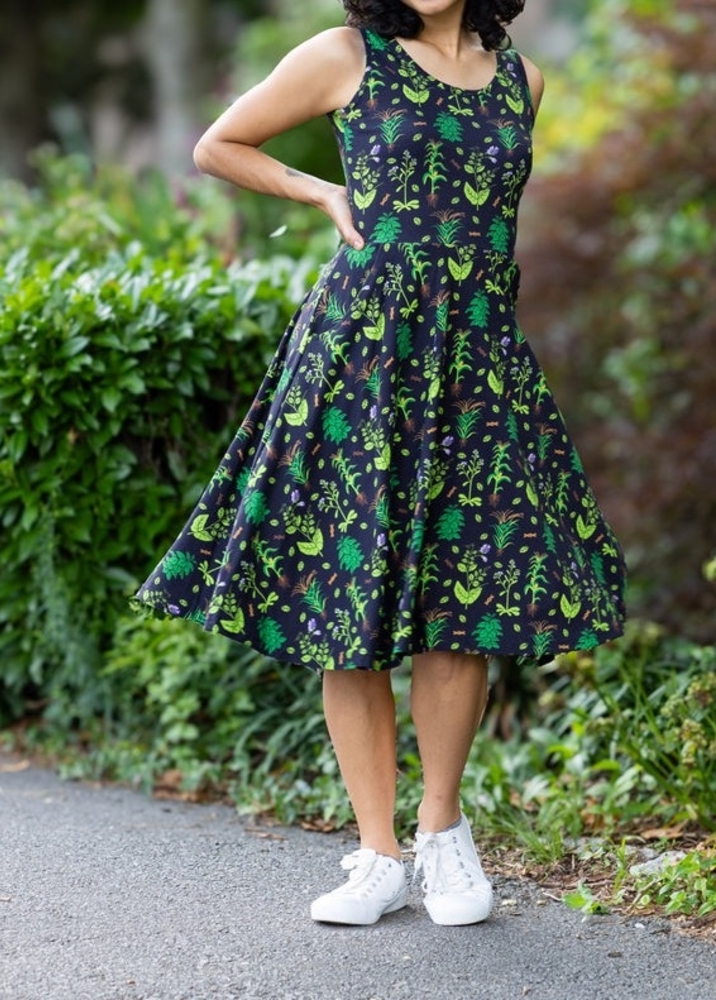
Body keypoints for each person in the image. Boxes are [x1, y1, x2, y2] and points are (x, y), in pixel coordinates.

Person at [134, 0, 625, 927]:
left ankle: (442, 837)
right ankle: (378, 854)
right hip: (363, 353)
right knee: (345, 591)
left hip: (477, 361)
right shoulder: (343, 54)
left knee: (462, 597)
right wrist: (317, 191)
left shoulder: (524, 78)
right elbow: (218, 145)